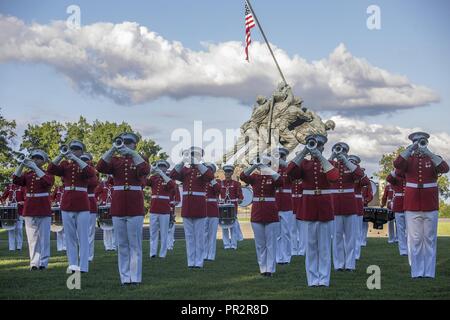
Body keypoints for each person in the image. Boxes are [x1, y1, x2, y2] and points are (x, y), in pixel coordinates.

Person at [97, 132, 150, 285]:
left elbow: (145, 171)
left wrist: (133, 153)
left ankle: (136, 277)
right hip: (119, 205)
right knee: (122, 244)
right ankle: (125, 277)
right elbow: (100, 167)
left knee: (135, 244)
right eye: (123, 142)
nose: (126, 144)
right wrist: (113, 149)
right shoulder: (115, 161)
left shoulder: (140, 159)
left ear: (135, 144)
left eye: (129, 142)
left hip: (135, 205)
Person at [394, 131, 449, 278]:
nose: (419, 144)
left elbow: (445, 168)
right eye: (416, 142)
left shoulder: (433, 158)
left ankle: (429, 272)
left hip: (430, 203)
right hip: (412, 203)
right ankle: (417, 272)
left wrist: (429, 153)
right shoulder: (408, 159)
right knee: (416, 239)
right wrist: (410, 149)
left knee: (429, 239)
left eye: (421, 141)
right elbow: (397, 164)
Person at [287, 134, 339, 287]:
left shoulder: (329, 163)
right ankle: (312, 279)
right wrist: (304, 152)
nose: (316, 148)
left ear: (323, 147)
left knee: (323, 246)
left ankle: (323, 279)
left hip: (324, 208)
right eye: (313, 145)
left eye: (319, 146)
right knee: (310, 246)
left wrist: (320, 157)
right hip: (308, 207)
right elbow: (290, 171)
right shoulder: (304, 164)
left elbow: (334, 177)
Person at [48, 141, 96, 273]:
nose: (74, 151)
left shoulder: (87, 165)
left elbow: (91, 174)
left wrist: (75, 158)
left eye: (77, 149)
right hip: (68, 203)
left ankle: (84, 266)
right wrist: (61, 155)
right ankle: (73, 264)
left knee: (83, 236)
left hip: (82, 203)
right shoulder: (65, 164)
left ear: (81, 151)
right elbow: (50, 169)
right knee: (70, 237)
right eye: (72, 149)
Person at [170, 147, 214, 269]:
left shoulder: (204, 169)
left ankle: (199, 262)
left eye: (196, 155)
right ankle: (191, 261)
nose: (194, 157)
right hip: (187, 207)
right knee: (189, 236)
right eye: (192, 155)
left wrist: (198, 164)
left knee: (199, 236)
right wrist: (183, 161)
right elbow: (173, 175)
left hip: (199, 206)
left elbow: (210, 177)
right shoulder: (185, 170)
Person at [240, 154, 282, 277]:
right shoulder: (255, 177)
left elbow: (280, 181)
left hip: (271, 213)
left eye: (267, 163)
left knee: (271, 243)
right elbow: (243, 176)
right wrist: (255, 165)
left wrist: (267, 168)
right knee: (260, 243)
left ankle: (270, 269)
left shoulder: (273, 176)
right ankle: (263, 268)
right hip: (257, 212)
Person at [12, 149, 54, 270]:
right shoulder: (27, 174)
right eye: (34, 158)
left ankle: (43, 262)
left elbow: (48, 182)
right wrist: (21, 164)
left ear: (43, 161)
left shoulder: (47, 173)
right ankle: (34, 262)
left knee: (44, 237)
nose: (35, 160)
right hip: (30, 207)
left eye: (38, 158)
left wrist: (35, 168)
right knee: (32, 238)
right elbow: (15, 179)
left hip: (43, 207)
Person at [329, 142, 364, 272]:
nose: (340, 152)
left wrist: (346, 161)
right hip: (335, 205)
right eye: (338, 150)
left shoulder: (351, 166)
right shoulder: (332, 165)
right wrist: (332, 155)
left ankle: (349, 264)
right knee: (337, 236)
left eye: (343, 150)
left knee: (350, 237)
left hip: (350, 204)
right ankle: (338, 264)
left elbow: (360, 175)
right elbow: (324, 168)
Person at [147, 160, 176, 259]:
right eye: (159, 166)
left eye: (163, 166)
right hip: (154, 208)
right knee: (153, 232)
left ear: (166, 168)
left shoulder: (168, 179)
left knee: (164, 233)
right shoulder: (153, 178)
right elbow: (144, 182)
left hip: (164, 209)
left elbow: (173, 186)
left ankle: (162, 253)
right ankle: (152, 253)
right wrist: (150, 171)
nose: (161, 168)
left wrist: (162, 175)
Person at [347, 155, 370, 260]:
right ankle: (346, 254)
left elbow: (366, 182)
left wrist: (358, 171)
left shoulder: (358, 174)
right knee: (344, 233)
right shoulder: (343, 172)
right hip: (345, 204)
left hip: (357, 203)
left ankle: (355, 254)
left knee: (356, 232)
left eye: (353, 163)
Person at [275, 147, 294, 265]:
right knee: (276, 233)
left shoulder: (289, 169)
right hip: (275, 203)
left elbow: (294, 171)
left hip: (286, 204)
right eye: (279, 156)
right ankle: (278, 257)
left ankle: (286, 257)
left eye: (282, 156)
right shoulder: (272, 169)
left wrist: (283, 163)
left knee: (286, 233)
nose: (280, 158)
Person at [220, 164, 243, 250]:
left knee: (233, 225)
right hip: (222, 207)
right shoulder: (221, 183)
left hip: (233, 207)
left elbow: (240, 194)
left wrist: (240, 199)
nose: (227, 173)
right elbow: (216, 193)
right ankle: (226, 244)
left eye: (229, 172)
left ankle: (233, 244)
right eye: (226, 172)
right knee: (224, 225)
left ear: (232, 173)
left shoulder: (237, 183)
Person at [80, 153, 99, 262]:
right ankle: (81, 254)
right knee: (79, 232)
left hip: (90, 202)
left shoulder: (92, 172)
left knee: (90, 232)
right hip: (78, 201)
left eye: (86, 160)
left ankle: (89, 255)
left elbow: (93, 182)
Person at [386, 169, 407, 256]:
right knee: (400, 228)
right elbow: (389, 178)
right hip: (398, 203)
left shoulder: (409, 174)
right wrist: (397, 168)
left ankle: (410, 248)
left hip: (409, 202)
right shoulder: (395, 177)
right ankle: (403, 250)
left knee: (410, 229)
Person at [1, 183, 25, 251]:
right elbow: (3, 197)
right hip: (11, 211)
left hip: (20, 211)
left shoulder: (23, 187)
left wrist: (23, 202)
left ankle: (19, 247)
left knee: (19, 229)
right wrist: (4, 202)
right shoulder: (10, 186)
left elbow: (26, 198)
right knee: (11, 229)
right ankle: (11, 248)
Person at [204, 163, 221, 261]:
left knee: (212, 234)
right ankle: (204, 254)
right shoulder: (201, 181)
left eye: (209, 170)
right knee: (204, 234)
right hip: (203, 209)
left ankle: (211, 255)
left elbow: (218, 190)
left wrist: (211, 178)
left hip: (213, 210)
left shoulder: (216, 181)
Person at [95, 175, 116, 251]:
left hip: (115, 207)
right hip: (104, 208)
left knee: (115, 228)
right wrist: (98, 202)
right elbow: (95, 194)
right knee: (106, 227)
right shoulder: (103, 184)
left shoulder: (117, 183)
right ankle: (107, 246)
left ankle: (114, 245)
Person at [50, 185, 66, 251]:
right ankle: (59, 247)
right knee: (58, 229)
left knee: (65, 229)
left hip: (66, 209)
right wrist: (54, 203)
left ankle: (65, 246)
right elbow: (52, 197)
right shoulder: (58, 188)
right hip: (57, 210)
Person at [291, 178, 305, 256]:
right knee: (293, 230)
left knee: (302, 230)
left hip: (301, 205)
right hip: (292, 205)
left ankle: (302, 250)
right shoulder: (290, 180)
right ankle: (294, 249)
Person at [167, 181, 181, 251]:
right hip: (161, 205)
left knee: (171, 224)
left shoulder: (174, 185)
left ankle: (170, 242)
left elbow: (178, 199)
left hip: (170, 206)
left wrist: (173, 203)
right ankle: (168, 242)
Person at [361, 181, 373, 246]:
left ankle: (363, 241)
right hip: (354, 206)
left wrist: (365, 201)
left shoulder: (367, 182)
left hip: (364, 206)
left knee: (364, 224)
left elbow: (370, 196)